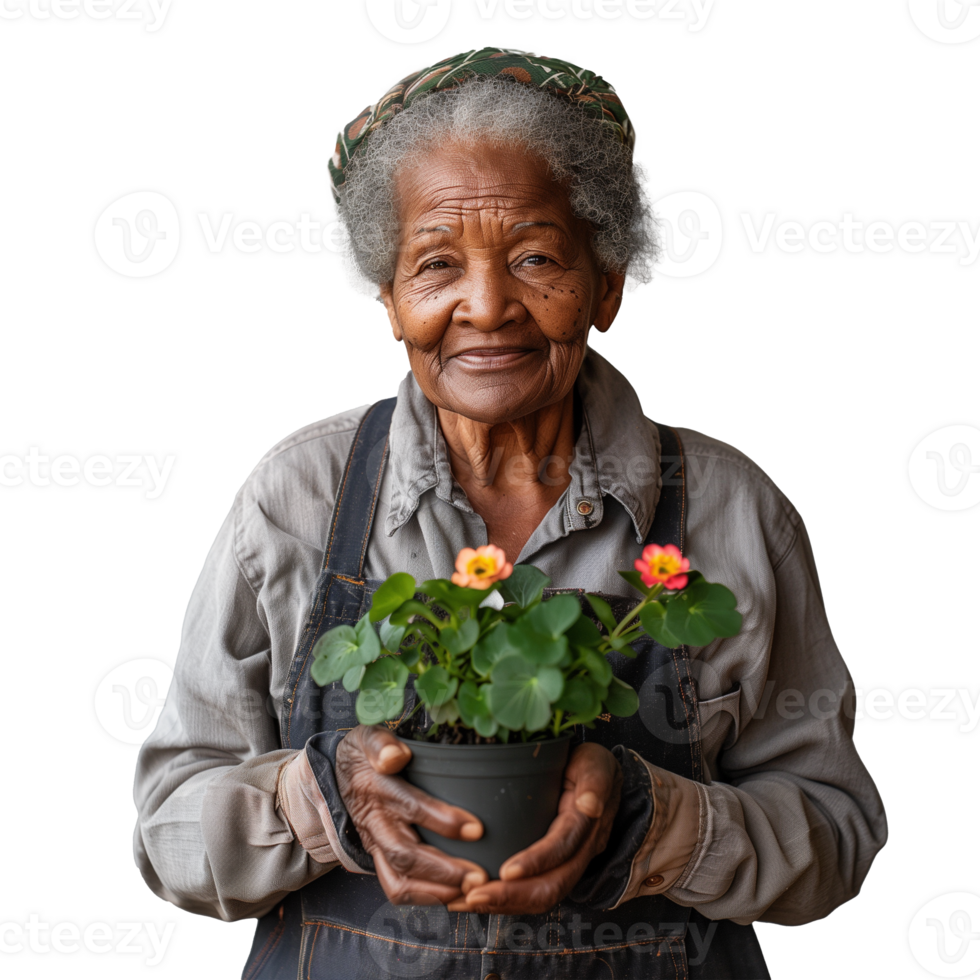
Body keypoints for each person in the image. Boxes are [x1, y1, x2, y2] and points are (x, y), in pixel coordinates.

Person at [130, 43, 888, 979]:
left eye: (536, 257)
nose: (487, 308)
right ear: (388, 301)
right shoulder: (296, 496)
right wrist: (325, 801)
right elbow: (168, 836)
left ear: (610, 282)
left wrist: (655, 823)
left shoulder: (736, 509)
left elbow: (838, 839)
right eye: (436, 263)